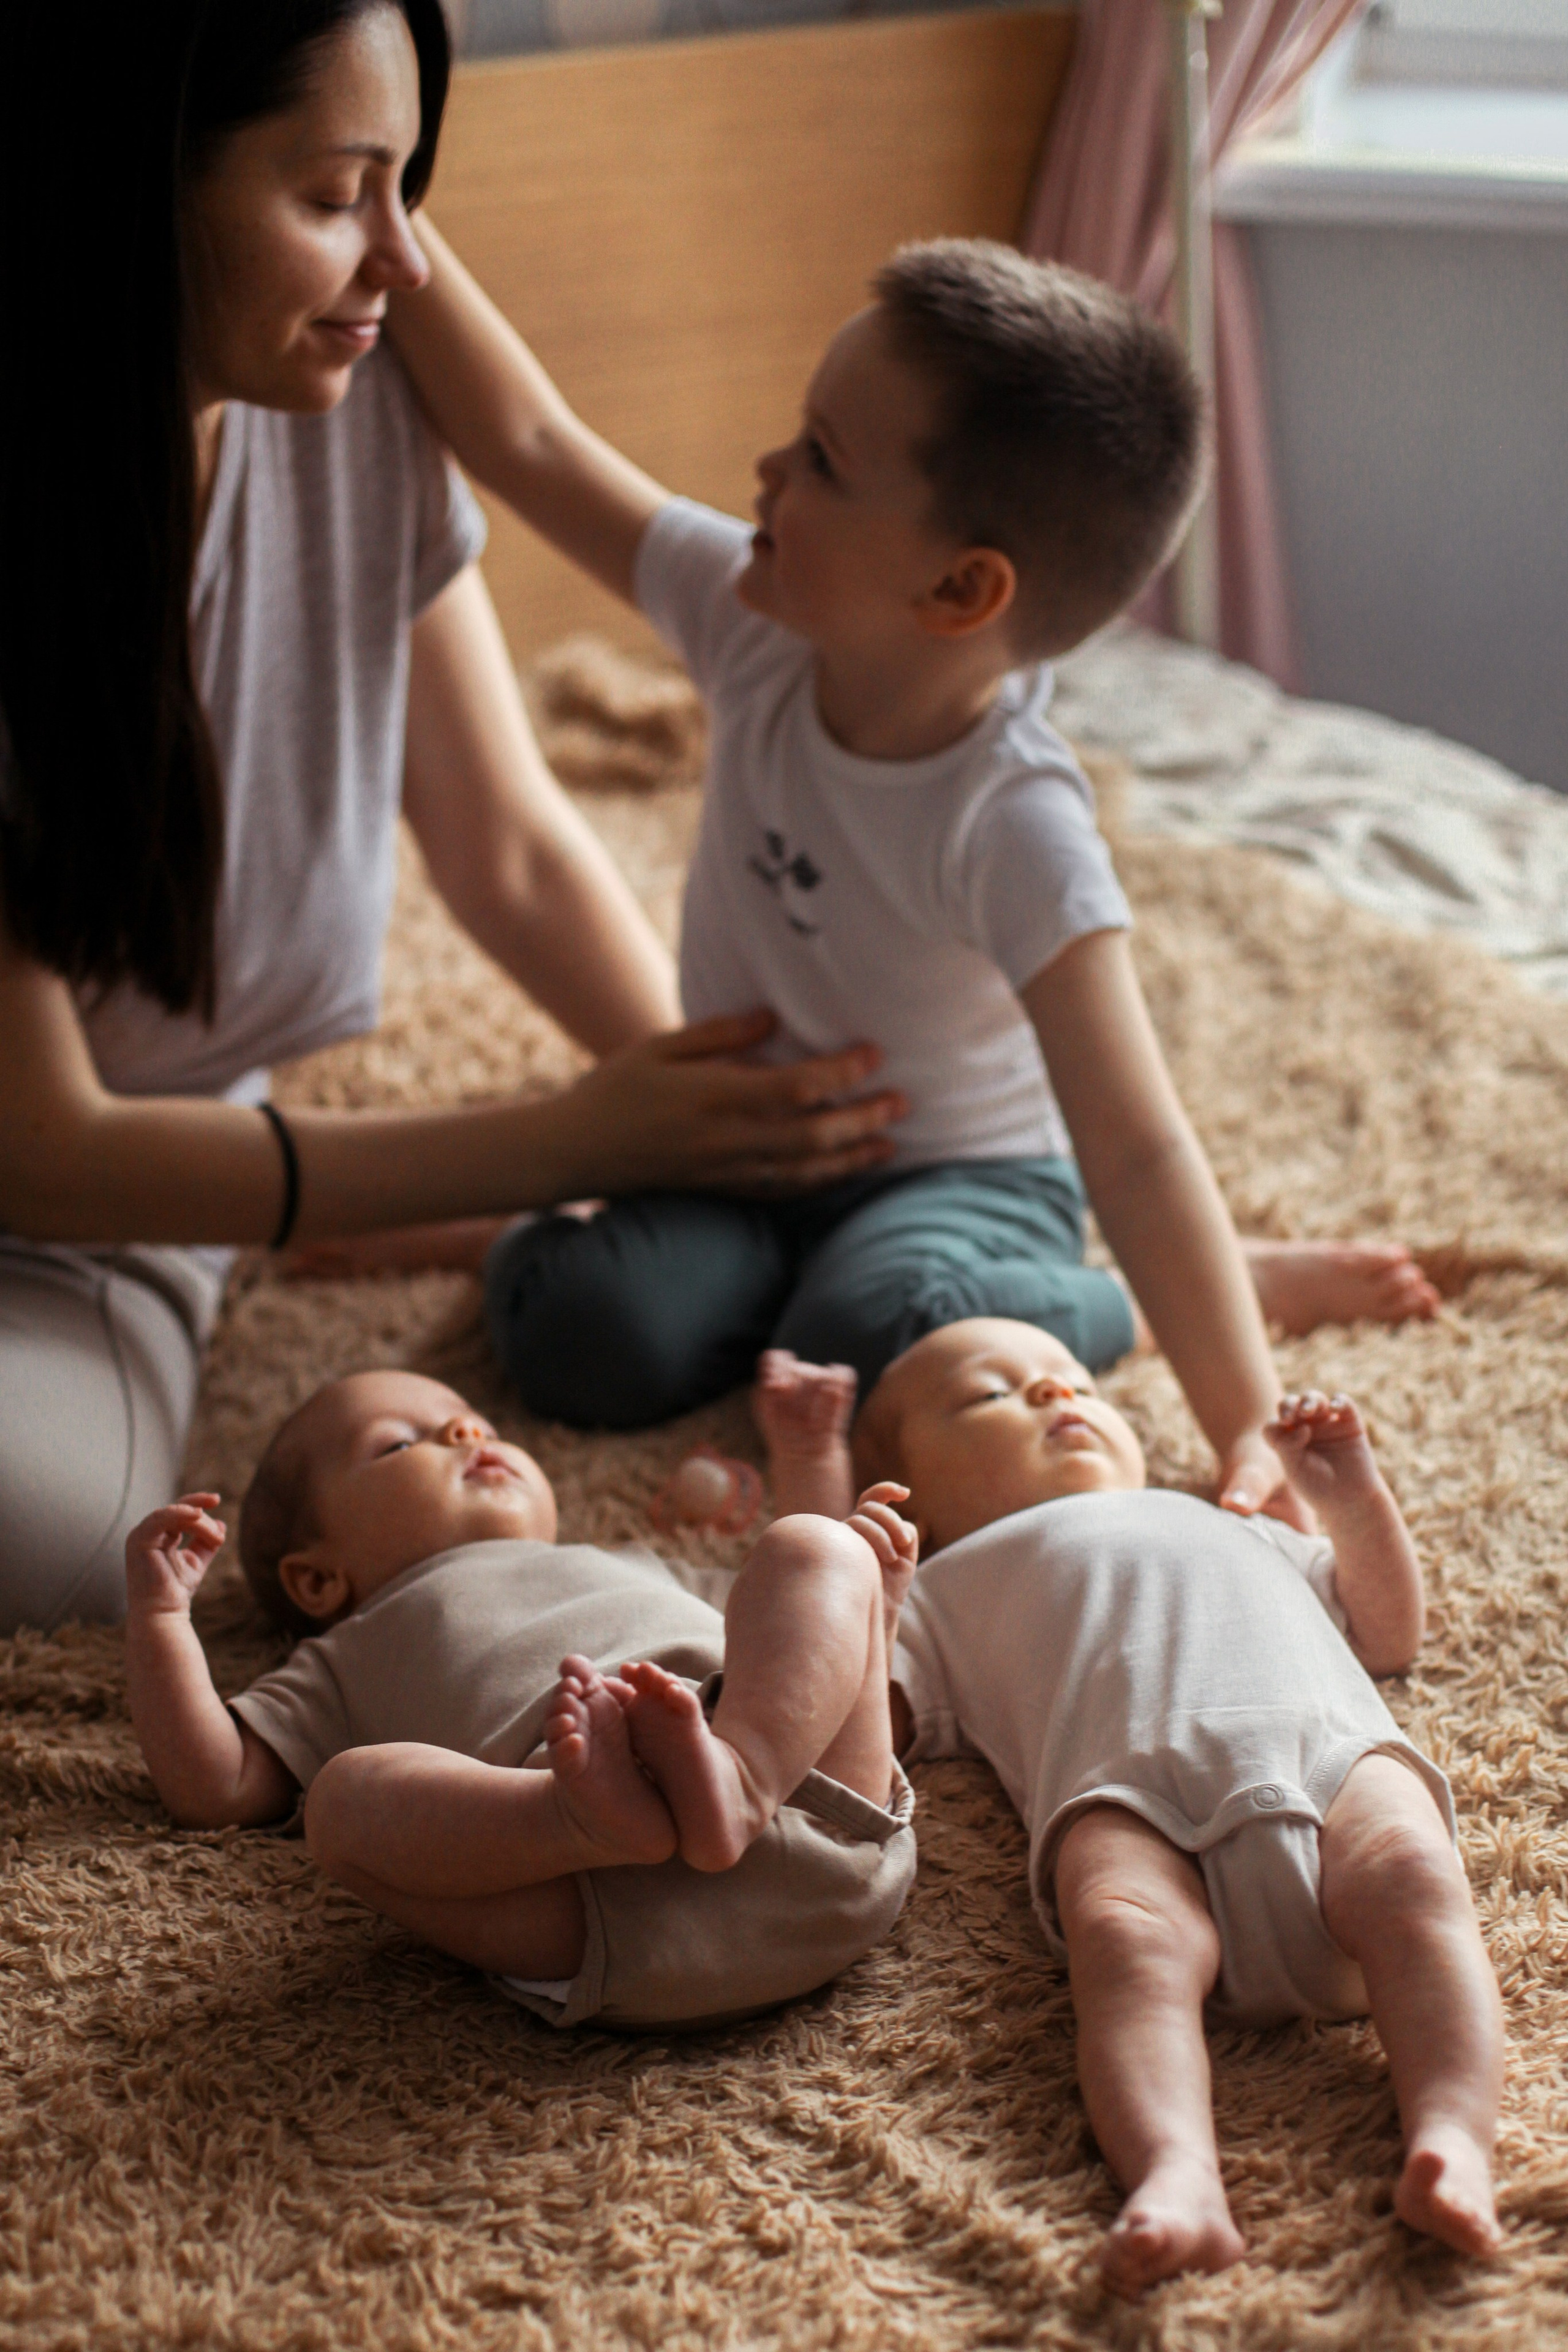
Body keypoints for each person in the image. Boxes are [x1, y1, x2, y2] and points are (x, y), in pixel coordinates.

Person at [0, 4, 905, 1632]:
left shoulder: (351, 403)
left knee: (40, 1526)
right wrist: (565, 1141)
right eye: (340, 192)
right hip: (61, 1173)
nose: (406, 263)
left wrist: (718, 1127)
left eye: (411, 184)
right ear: (130, 184)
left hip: (106, 1227)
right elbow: (40, 1144)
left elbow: (508, 839)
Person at [376, 224, 1436, 1483]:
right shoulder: (749, 621)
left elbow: (1138, 1148)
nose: (764, 469)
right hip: (739, 1151)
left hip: (961, 1184)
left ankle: (1130, 1299)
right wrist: (389, 209)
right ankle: (656, 1257)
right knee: (580, 1334)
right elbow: (532, 443)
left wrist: (1246, 1430)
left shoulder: (1014, 828)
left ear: (957, 591)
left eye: (819, 460)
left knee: (873, 1339)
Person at [750, 1330, 1504, 2291]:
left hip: (1329, 1757)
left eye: (1071, 1379)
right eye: (994, 1397)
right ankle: (1177, 2176)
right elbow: (839, 1700)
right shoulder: (945, 1585)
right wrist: (869, 1575)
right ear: (921, 1502)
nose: (1055, 1392)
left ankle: (1451, 2135)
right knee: (1123, 1934)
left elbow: (1388, 1630)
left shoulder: (1233, 1519)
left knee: (1414, 1872)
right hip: (1123, 1798)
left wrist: (1351, 1497)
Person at [121, 1368, 918, 2032]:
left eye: (474, 1422)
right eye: (401, 1443)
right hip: (603, 1905)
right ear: (319, 1578)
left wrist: (864, 1597)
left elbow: (796, 1644)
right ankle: (571, 1817)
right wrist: (161, 1621)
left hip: (819, 1814)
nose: (468, 1435)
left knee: (816, 1546)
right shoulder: (341, 1654)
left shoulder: (628, 1560)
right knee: (340, 1801)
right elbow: (214, 1788)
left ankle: (739, 1776)